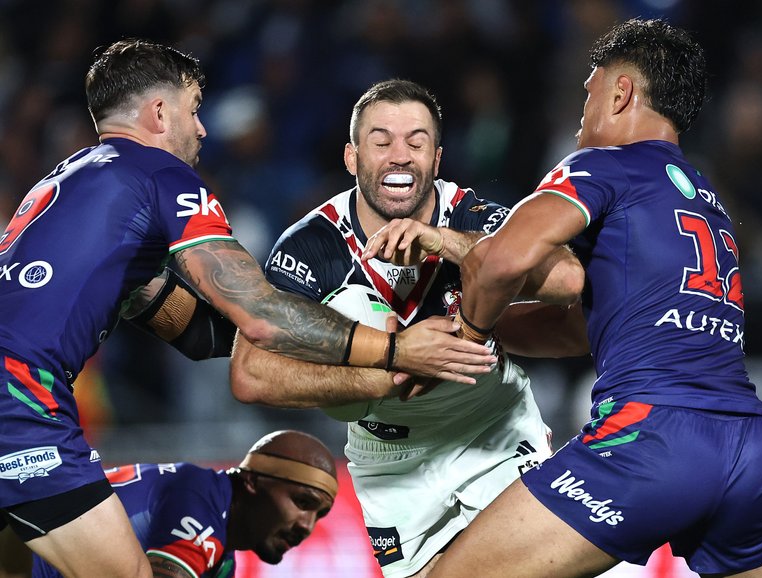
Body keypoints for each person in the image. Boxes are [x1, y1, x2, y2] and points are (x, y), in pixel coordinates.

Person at [0, 40, 498, 578]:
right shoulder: (162, 175)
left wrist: (327, 359)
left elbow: (202, 334)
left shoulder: (69, 181)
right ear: (160, 113)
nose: (202, 129)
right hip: (20, 400)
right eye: (194, 110)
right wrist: (395, 349)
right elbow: (259, 313)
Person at [429, 18, 762, 578]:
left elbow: (499, 261)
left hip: (652, 435)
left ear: (621, 93)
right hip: (748, 450)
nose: (581, 113)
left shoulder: (605, 164)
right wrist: (496, 335)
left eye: (589, 93)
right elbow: (583, 331)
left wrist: (464, 336)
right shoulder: (708, 201)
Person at [229, 79, 587, 577]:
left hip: (493, 430)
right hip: (389, 457)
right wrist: (391, 363)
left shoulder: (469, 216)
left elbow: (569, 279)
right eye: (381, 142)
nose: (400, 155)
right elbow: (249, 374)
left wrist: (448, 243)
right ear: (352, 157)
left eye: (416, 143)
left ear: (437, 160)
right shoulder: (312, 246)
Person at [28, 429, 336, 577]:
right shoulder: (197, 498)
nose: (307, 526)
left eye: (319, 514)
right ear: (253, 481)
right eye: (302, 502)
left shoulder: (221, 555)